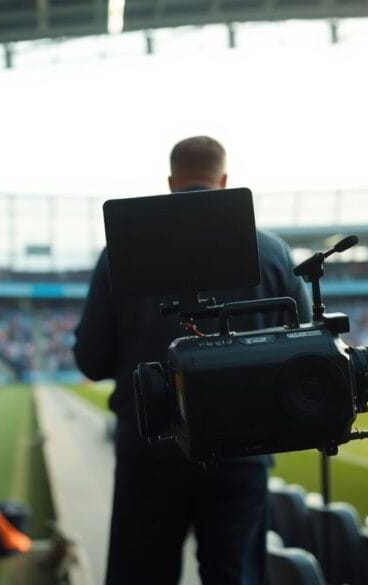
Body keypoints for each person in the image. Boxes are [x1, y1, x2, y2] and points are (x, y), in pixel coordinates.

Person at [74, 135, 312, 585]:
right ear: (224, 180)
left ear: (170, 183)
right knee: (234, 575)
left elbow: (91, 359)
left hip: (148, 449)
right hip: (244, 450)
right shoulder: (275, 253)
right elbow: (303, 354)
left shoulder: (119, 254)